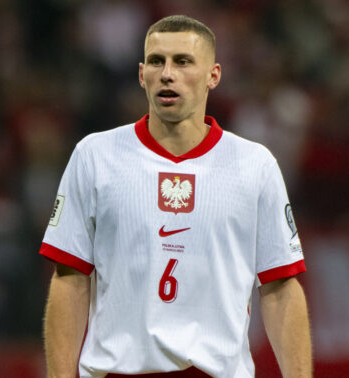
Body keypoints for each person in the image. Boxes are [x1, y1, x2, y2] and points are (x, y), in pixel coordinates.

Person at [39, 15, 312, 378]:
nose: (167, 73)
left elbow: (280, 287)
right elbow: (69, 278)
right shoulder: (94, 156)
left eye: (183, 61)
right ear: (141, 74)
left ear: (213, 75)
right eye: (157, 61)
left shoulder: (255, 165)